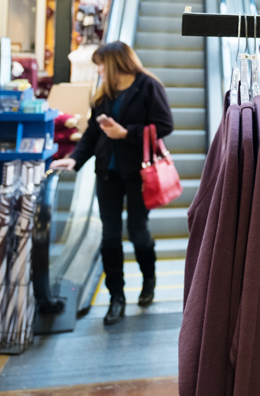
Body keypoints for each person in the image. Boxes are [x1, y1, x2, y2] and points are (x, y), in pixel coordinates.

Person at [50, 42, 173, 325]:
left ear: (116, 63)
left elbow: (165, 125)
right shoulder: (103, 94)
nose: (99, 70)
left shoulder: (148, 86)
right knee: (109, 236)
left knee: (138, 231)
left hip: (140, 174)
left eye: (102, 65)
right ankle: (116, 298)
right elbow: (93, 133)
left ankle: (149, 281)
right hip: (107, 173)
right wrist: (74, 159)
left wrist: (125, 133)